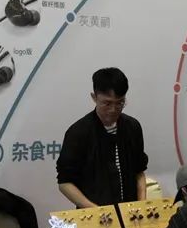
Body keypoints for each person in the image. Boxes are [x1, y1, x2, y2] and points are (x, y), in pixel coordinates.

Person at [56, 67, 148, 207]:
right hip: (93, 212)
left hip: (130, 211)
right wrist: (97, 211)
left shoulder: (132, 127)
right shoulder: (78, 132)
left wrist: (141, 205)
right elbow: (64, 183)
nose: (113, 110)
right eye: (107, 103)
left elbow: (139, 172)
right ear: (94, 97)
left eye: (120, 103)